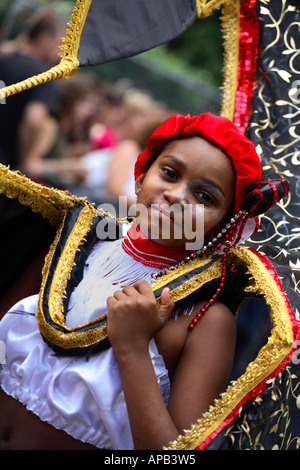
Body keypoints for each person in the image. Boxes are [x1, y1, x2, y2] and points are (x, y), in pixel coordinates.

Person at [0, 113, 288, 450]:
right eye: (169, 173)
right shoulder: (74, 243)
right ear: (141, 176)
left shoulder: (207, 317)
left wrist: (134, 349)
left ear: (226, 227)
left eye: (205, 197)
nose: (177, 196)